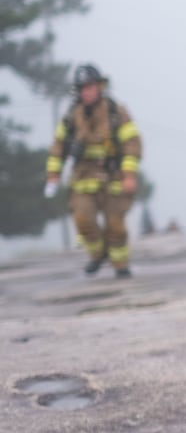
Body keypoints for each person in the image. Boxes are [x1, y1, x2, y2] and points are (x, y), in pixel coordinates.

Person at [44, 64, 143, 278]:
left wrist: (128, 174)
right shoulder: (71, 116)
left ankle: (121, 266)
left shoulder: (116, 112)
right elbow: (58, 146)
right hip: (83, 177)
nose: (86, 92)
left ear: (99, 87)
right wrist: (53, 174)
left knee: (116, 226)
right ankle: (98, 254)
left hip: (113, 176)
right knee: (82, 220)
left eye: (90, 87)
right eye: (82, 88)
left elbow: (132, 143)